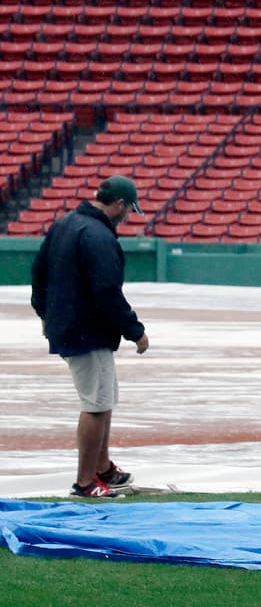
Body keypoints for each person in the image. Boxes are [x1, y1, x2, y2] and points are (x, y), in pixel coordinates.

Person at [31, 174, 150, 499]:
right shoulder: (97, 235)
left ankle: (102, 467)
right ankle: (85, 482)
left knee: (105, 398)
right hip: (87, 330)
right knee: (95, 404)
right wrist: (135, 330)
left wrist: (44, 314)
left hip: (72, 325)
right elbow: (106, 291)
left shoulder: (66, 223)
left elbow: (38, 272)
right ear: (119, 204)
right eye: (128, 210)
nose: (127, 217)